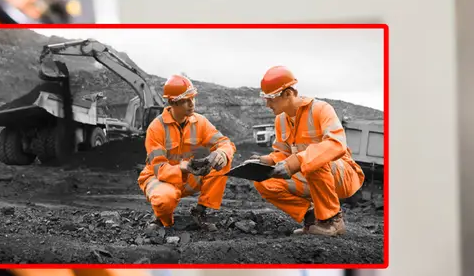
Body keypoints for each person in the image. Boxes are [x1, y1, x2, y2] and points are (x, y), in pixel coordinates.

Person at [243, 66, 364, 236]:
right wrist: (266, 161)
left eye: (271, 98)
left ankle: (333, 220)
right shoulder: (281, 120)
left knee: (314, 160)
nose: (267, 104)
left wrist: (297, 161)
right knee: (264, 181)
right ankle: (312, 216)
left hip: (343, 176)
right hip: (311, 178)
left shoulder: (321, 109)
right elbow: (284, 154)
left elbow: (337, 144)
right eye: (265, 98)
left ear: (288, 93)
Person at [136, 75, 235, 230]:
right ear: (172, 102)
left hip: (186, 177)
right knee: (164, 199)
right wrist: (183, 167)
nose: (192, 104)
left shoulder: (199, 122)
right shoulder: (156, 128)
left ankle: (200, 211)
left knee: (222, 162)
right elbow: (159, 169)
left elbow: (225, 143)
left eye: (193, 98)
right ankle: (164, 221)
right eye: (185, 100)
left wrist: (222, 153)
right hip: (158, 178)